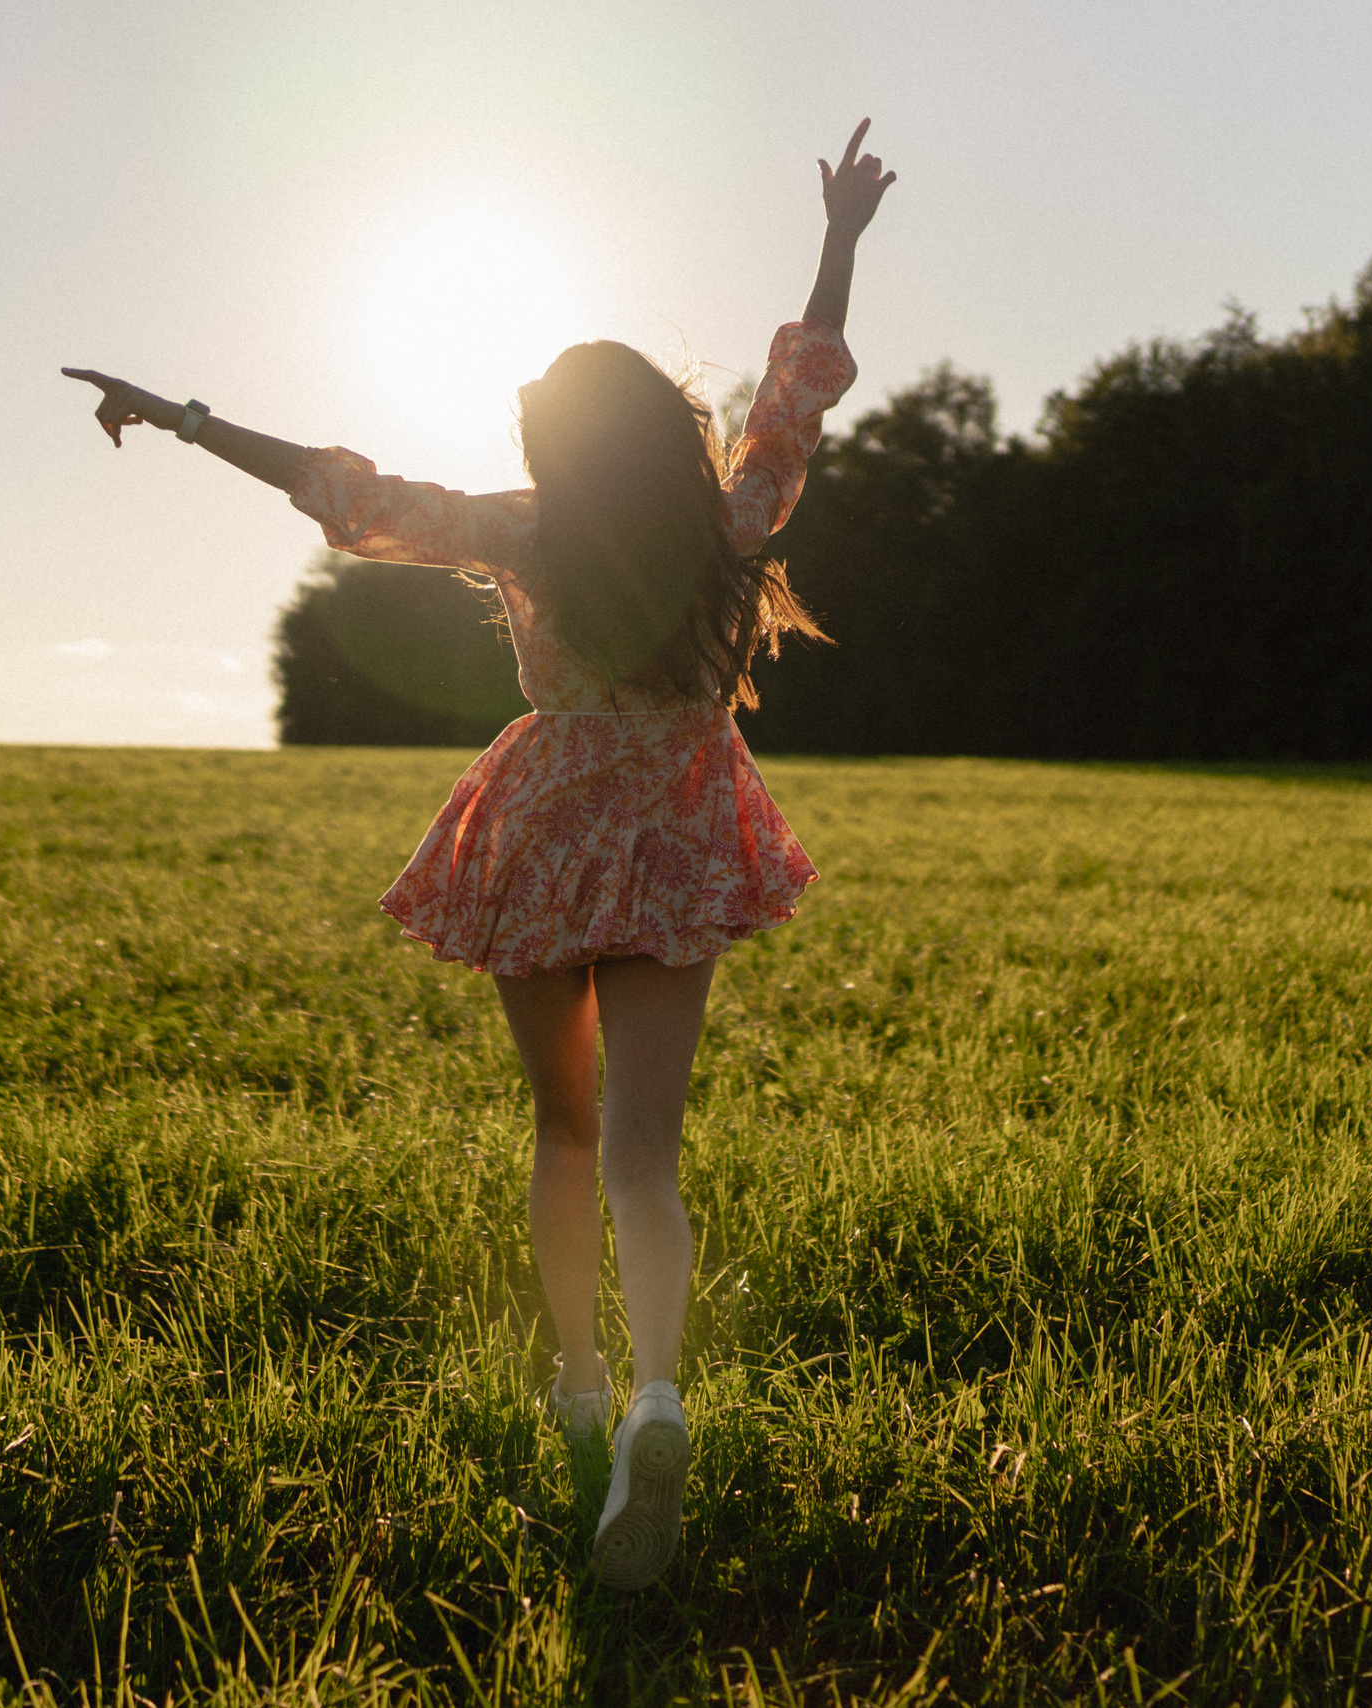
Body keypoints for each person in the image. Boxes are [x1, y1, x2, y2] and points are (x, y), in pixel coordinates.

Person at [64, 121, 895, 1592]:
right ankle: (655, 1399)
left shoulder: (521, 527)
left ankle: (577, 1380)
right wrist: (838, 238)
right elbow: (795, 393)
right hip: (682, 826)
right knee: (649, 1147)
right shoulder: (728, 521)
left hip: (547, 829)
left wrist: (186, 418)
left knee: (563, 1132)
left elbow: (346, 491)